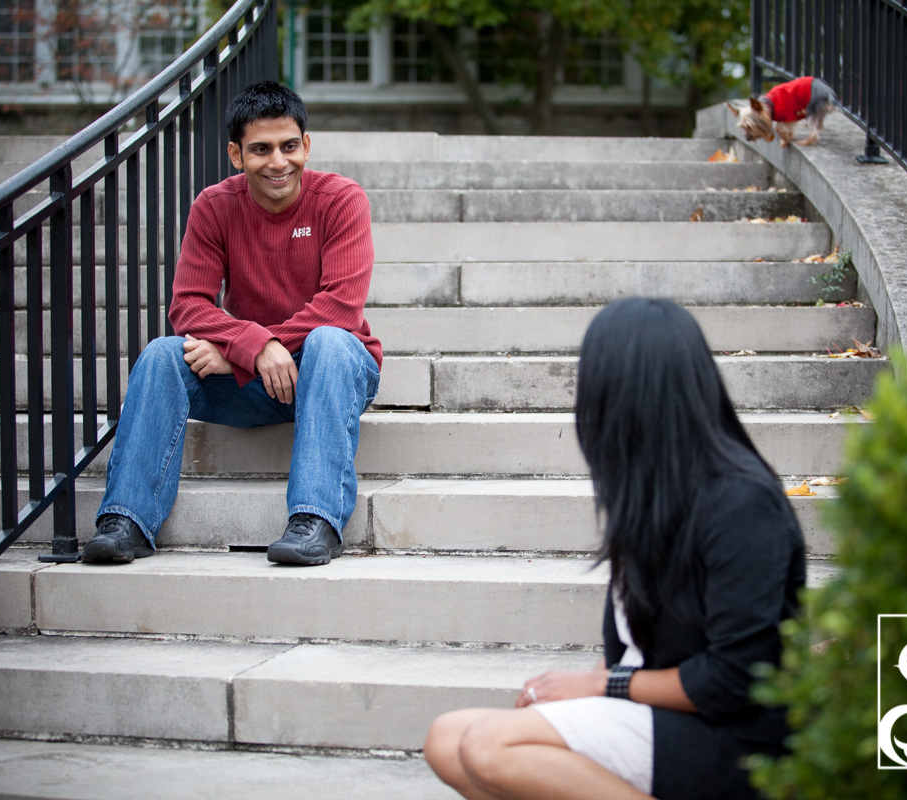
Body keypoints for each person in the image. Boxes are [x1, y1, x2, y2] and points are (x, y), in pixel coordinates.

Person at [424, 297, 806, 799]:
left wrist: (597, 687)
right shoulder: (651, 496)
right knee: (447, 739)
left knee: (491, 747)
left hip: (738, 738)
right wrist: (587, 691)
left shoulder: (742, 502)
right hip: (655, 717)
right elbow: (633, 650)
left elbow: (735, 679)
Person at [81, 81, 381, 567]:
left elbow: (341, 306)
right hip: (252, 379)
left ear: (306, 145)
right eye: (260, 150)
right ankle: (127, 520)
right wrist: (252, 346)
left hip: (329, 372)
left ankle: (316, 520)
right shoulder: (214, 206)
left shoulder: (341, 200)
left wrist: (248, 346)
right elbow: (188, 305)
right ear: (236, 155)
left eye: (288, 146)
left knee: (328, 340)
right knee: (162, 353)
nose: (278, 162)